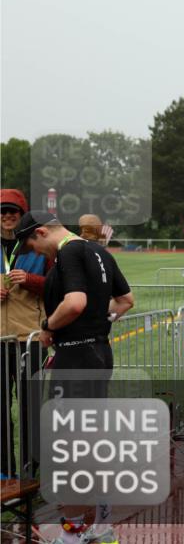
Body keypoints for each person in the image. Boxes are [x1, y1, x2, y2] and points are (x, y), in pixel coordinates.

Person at [16, 210, 133, 544]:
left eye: (32, 246)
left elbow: (75, 302)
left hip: (76, 358)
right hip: (98, 353)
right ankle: (103, 526)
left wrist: (48, 327)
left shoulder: (68, 252)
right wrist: (99, 321)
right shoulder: (98, 250)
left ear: (41, 233)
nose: (37, 254)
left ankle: (73, 532)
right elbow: (126, 301)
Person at [0, 189, 49, 480]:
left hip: (29, 340)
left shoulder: (37, 247)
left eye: (13, 212)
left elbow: (57, 286)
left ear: (22, 215)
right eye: (2, 211)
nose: (7, 216)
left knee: (31, 408)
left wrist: (30, 280)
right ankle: (4, 473)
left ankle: (32, 472)